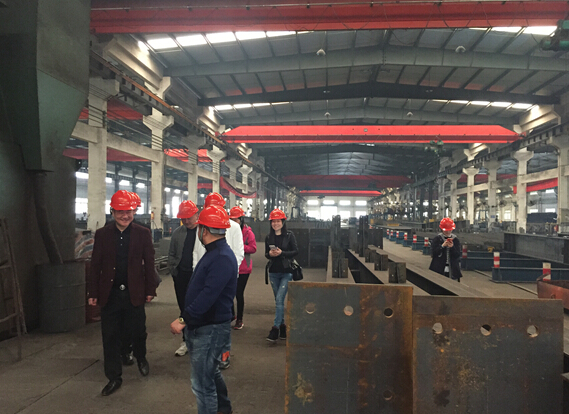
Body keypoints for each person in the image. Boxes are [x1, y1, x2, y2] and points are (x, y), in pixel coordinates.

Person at [87, 190, 157, 396]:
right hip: (110, 293)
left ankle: (141, 357)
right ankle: (114, 377)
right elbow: (95, 265)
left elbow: (149, 263)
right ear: (112, 212)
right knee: (110, 335)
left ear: (134, 211)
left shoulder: (143, 233)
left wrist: (150, 289)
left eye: (129, 211)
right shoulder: (102, 234)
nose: (125, 216)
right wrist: (93, 292)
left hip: (134, 292)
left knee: (138, 331)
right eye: (120, 212)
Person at [170, 204, 237, 414]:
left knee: (201, 384)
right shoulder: (215, 253)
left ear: (204, 230)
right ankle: (224, 409)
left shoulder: (221, 257)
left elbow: (208, 295)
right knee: (211, 373)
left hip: (210, 328)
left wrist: (183, 319)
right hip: (205, 326)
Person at [193, 192, 243, 369]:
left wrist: (225, 274)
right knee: (206, 314)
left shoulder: (233, 227)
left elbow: (239, 253)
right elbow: (196, 252)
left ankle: (224, 353)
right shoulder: (202, 227)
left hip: (224, 279)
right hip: (205, 276)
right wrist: (197, 274)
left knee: (222, 317)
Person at [168, 200, 199, 357]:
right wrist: (174, 269)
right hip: (181, 276)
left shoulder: (204, 232)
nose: (186, 221)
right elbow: (172, 253)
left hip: (198, 277)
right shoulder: (177, 233)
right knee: (184, 308)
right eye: (183, 218)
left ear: (196, 214)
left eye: (189, 217)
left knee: (198, 308)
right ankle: (186, 341)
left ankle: (199, 340)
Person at [264, 208, 298, 343]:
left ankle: (275, 329)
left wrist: (282, 253)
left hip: (286, 272)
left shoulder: (289, 235)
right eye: (273, 221)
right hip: (273, 272)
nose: (275, 224)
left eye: (278, 221)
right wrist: (270, 254)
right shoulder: (268, 237)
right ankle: (283, 327)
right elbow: (266, 254)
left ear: (283, 222)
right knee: (278, 301)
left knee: (279, 299)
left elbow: (295, 251)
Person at [229, 206, 257, 330]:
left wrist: (240, 247)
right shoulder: (227, 231)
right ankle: (231, 314)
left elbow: (253, 248)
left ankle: (239, 319)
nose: (234, 222)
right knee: (228, 292)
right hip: (230, 267)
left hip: (244, 268)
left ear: (241, 219)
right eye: (232, 219)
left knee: (238, 293)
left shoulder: (248, 233)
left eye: (236, 219)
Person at [429, 217, 463, 282]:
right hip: (438, 269)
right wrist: (442, 246)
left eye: (449, 230)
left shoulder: (455, 240)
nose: (447, 232)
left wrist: (452, 247)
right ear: (442, 229)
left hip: (453, 270)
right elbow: (434, 254)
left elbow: (457, 255)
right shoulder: (437, 239)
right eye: (446, 230)